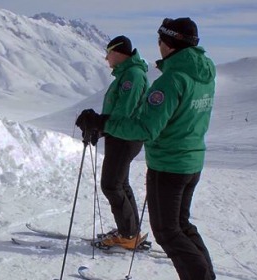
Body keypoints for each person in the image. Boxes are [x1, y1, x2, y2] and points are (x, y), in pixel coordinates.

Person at [75, 17, 216, 279]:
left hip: (169, 164)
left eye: (160, 41)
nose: (158, 46)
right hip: (190, 161)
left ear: (170, 43)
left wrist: (101, 123)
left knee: (167, 231)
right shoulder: (204, 74)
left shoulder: (171, 81)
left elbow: (143, 127)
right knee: (181, 226)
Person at [82, 35, 149, 249]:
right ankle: (130, 231)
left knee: (111, 185)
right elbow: (116, 113)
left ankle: (128, 235)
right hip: (119, 136)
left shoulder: (132, 76)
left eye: (108, 52)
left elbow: (123, 114)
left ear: (118, 52)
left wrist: (100, 124)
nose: (106, 58)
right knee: (120, 183)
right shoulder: (126, 75)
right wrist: (100, 129)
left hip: (124, 138)